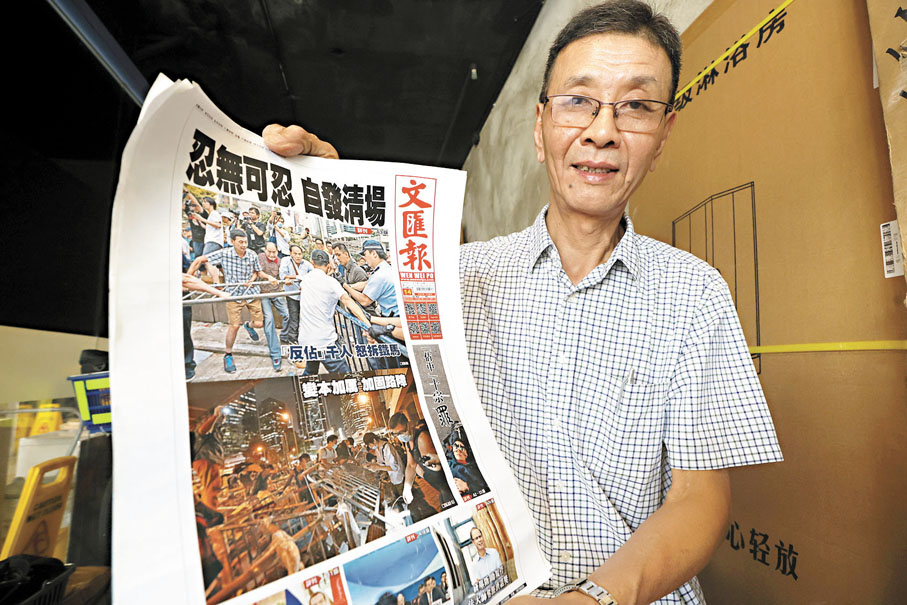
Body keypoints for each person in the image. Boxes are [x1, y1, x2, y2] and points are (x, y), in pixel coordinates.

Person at [262, 3, 782, 603]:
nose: (603, 131)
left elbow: (700, 498)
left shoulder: (695, 293)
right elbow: (355, 380)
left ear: (663, 136)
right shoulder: (456, 276)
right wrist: (326, 199)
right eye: (578, 100)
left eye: (636, 106)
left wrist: (590, 600)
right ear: (541, 127)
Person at [187, 229, 278, 373]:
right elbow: (200, 260)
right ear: (232, 242)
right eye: (240, 242)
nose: (244, 245)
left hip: (251, 293)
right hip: (233, 295)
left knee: (259, 323)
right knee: (234, 326)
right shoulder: (225, 253)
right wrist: (187, 279)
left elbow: (258, 271)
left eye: (245, 242)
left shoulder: (252, 254)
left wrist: (267, 277)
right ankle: (228, 354)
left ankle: (248, 325)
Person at [294, 249, 373, 375]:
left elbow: (305, 285)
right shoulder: (331, 282)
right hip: (324, 341)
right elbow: (348, 301)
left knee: (311, 371)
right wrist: (367, 325)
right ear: (329, 264)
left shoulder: (305, 279)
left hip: (306, 339)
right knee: (345, 375)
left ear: (312, 262)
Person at [387, 412, 454, 506]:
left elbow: (436, 467)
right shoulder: (408, 442)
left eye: (401, 432)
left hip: (447, 484)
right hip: (438, 486)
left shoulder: (422, 437)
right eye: (396, 434)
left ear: (409, 424)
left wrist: (422, 471)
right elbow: (411, 465)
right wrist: (407, 487)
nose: (400, 436)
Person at [343, 240, 398, 317]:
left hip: (392, 317)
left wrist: (344, 285)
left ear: (374, 254)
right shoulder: (385, 268)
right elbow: (366, 283)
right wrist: (349, 286)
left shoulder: (379, 275)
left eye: (365, 254)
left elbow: (364, 301)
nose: (364, 258)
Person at [258, 241, 290, 371]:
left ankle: (284, 336)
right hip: (264, 293)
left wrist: (286, 279)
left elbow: (283, 275)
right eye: (269, 252)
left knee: (287, 315)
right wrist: (268, 277)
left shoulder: (280, 261)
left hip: (276, 292)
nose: (272, 254)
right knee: (269, 320)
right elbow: (258, 272)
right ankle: (275, 354)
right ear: (265, 250)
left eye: (274, 252)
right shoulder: (260, 257)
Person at [278, 244, 313, 344]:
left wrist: (294, 277)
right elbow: (283, 275)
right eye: (295, 254)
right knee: (293, 317)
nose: (298, 256)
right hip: (292, 294)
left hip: (304, 295)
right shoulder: (286, 261)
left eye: (300, 254)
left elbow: (313, 275)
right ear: (291, 254)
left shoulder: (306, 264)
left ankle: (304, 337)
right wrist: (297, 277)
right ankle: (292, 339)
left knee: (306, 316)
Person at [445, 424, 489, 497]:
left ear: (468, 451)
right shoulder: (448, 464)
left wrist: (466, 486)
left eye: (462, 447)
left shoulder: (476, 467)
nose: (458, 450)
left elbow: (485, 487)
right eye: (456, 446)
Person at [362, 431, 405, 498]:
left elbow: (395, 467)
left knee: (405, 498)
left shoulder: (387, 447)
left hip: (399, 478)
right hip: (393, 479)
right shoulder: (378, 450)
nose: (370, 447)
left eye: (370, 445)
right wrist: (371, 465)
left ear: (374, 440)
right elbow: (380, 463)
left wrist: (378, 467)